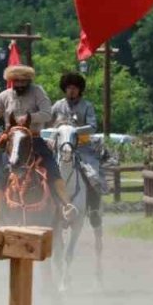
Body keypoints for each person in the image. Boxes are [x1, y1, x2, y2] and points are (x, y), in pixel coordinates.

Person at [0, 64, 73, 223]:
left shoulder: (38, 92)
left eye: (23, 81)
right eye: (17, 81)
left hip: (34, 139)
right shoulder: (4, 96)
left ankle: (66, 206)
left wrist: (30, 118)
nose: (20, 84)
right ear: (11, 81)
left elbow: (47, 114)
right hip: (11, 142)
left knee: (52, 169)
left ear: (29, 81)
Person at [50, 73, 107, 228]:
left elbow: (93, 126)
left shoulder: (87, 106)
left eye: (75, 88)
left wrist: (74, 130)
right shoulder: (57, 106)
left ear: (80, 89)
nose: (72, 90)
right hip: (60, 148)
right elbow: (46, 121)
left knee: (93, 176)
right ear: (64, 89)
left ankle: (94, 210)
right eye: (69, 87)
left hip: (82, 148)